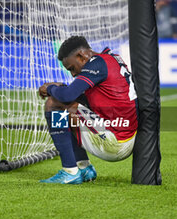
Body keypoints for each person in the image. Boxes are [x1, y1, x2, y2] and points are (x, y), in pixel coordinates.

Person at [38, 36, 138, 184]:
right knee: (68, 107)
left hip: (115, 142)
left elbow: (67, 96)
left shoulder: (95, 64)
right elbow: (76, 95)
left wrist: (50, 88)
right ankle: (84, 168)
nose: (73, 74)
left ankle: (70, 171)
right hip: (126, 135)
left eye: (72, 68)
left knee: (53, 104)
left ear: (81, 56)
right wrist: (61, 89)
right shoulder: (110, 58)